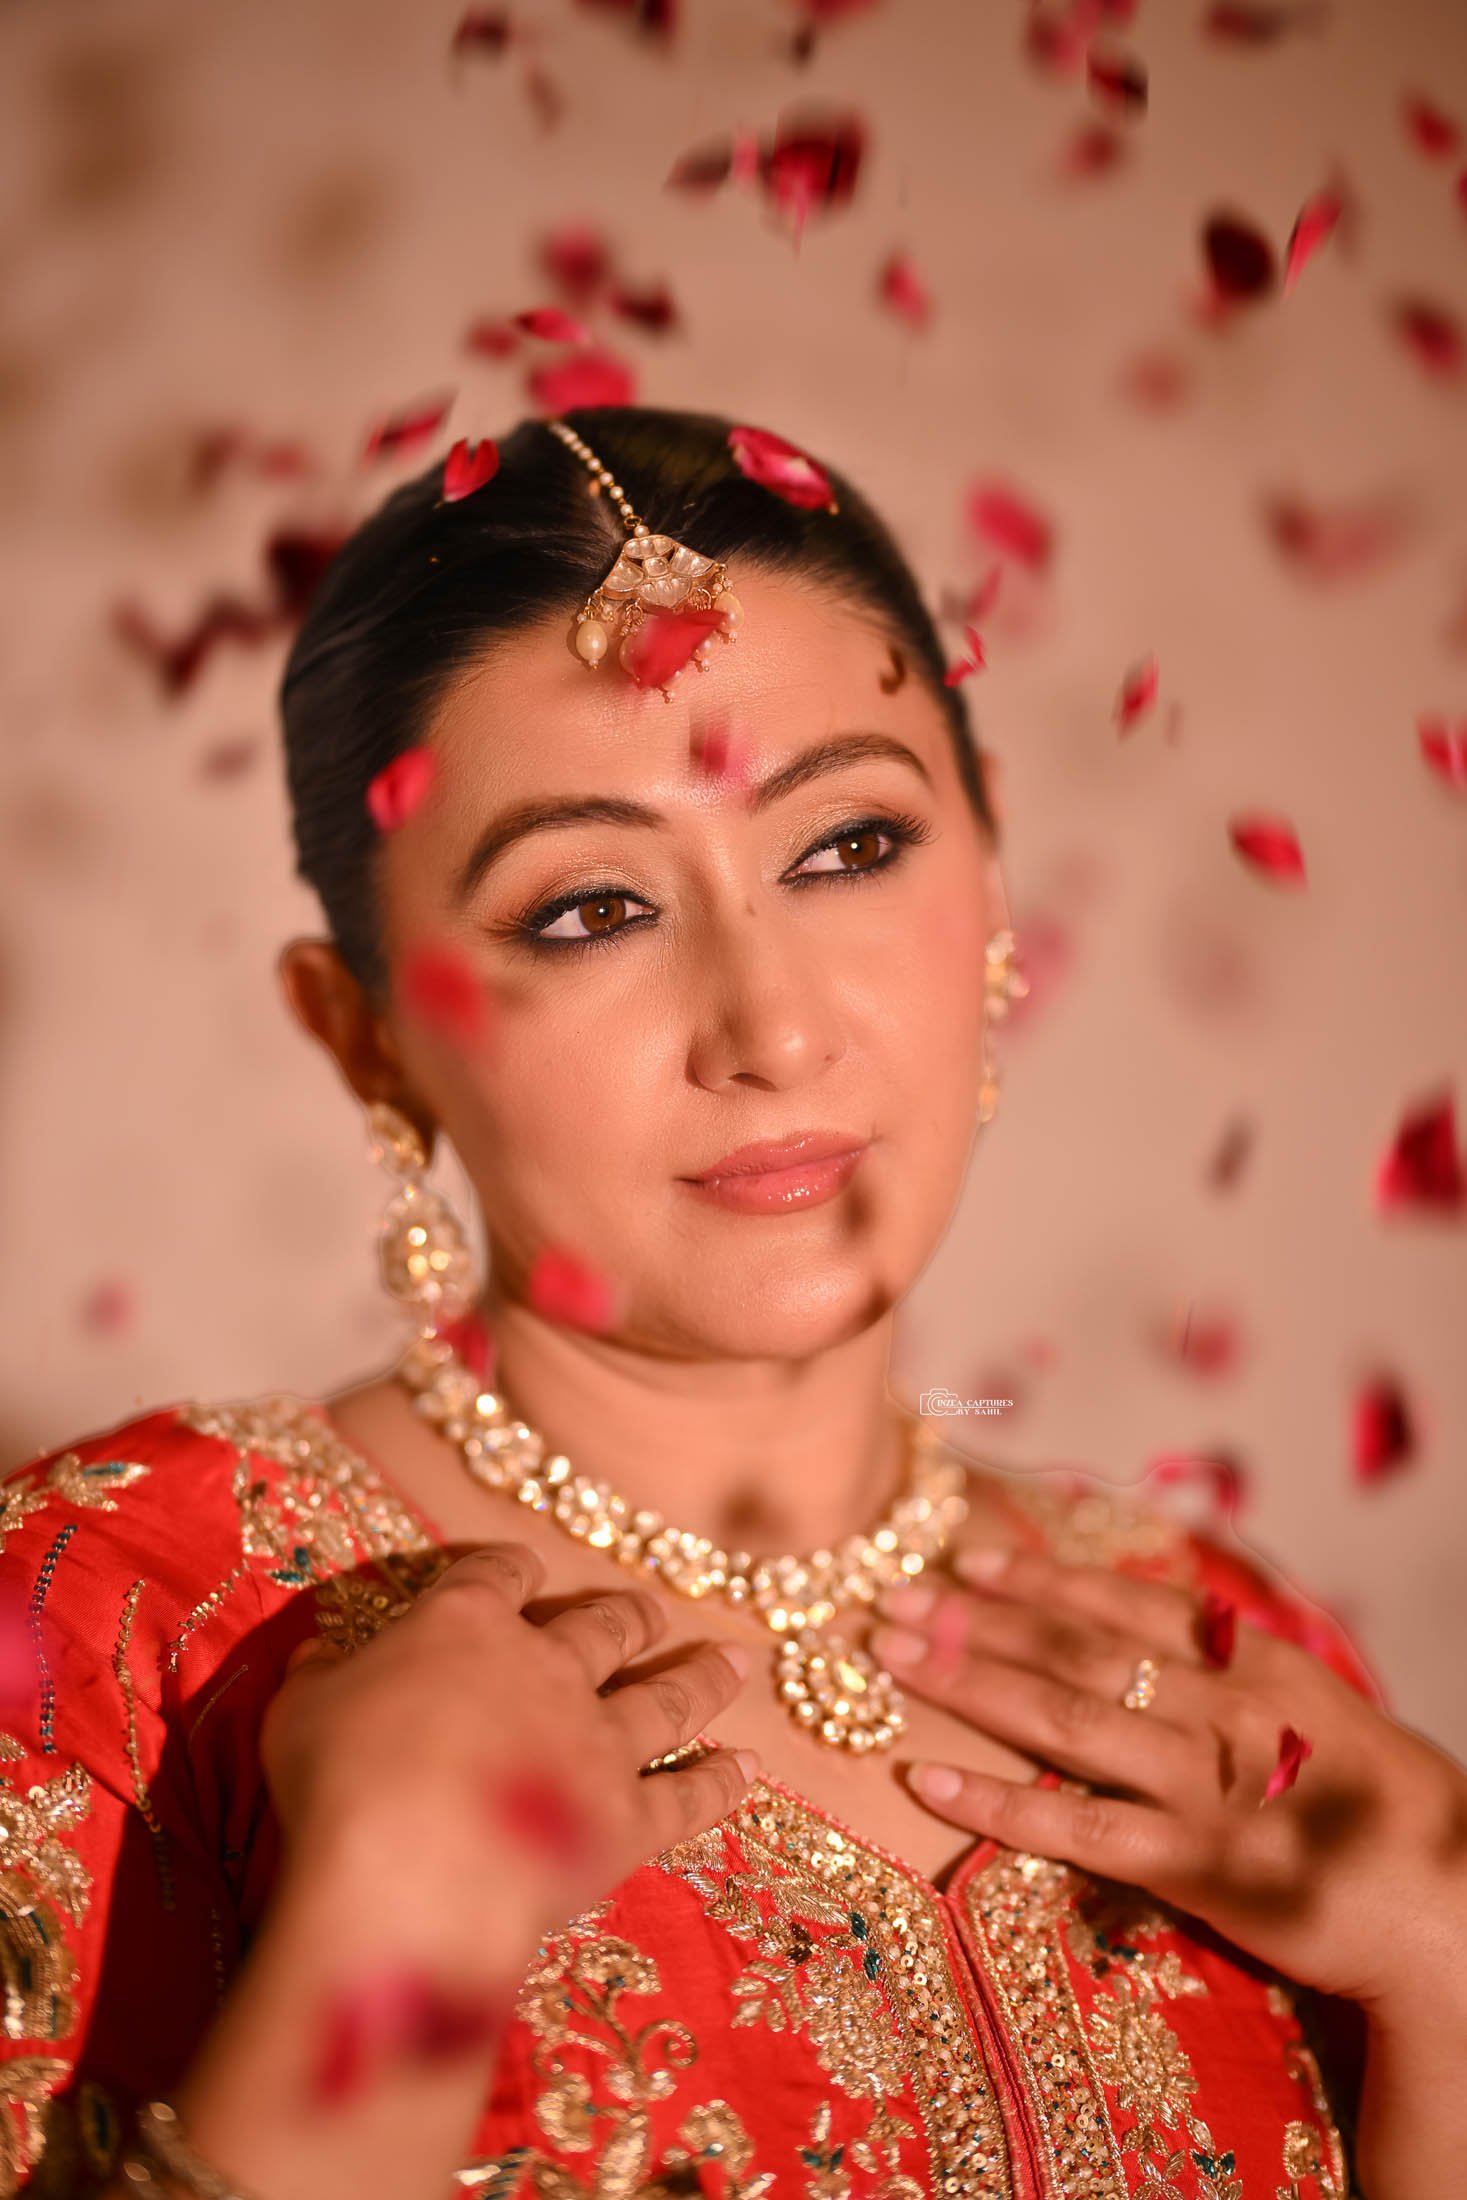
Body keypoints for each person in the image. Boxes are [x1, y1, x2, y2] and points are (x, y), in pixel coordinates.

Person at [0, 405, 1462, 2200]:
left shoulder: (1231, 1659)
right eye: (590, 905)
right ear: (367, 1033)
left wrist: (1454, 1988)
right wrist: (393, 1935)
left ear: (991, 891)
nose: (774, 1030)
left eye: (848, 847)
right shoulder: (120, 1627)